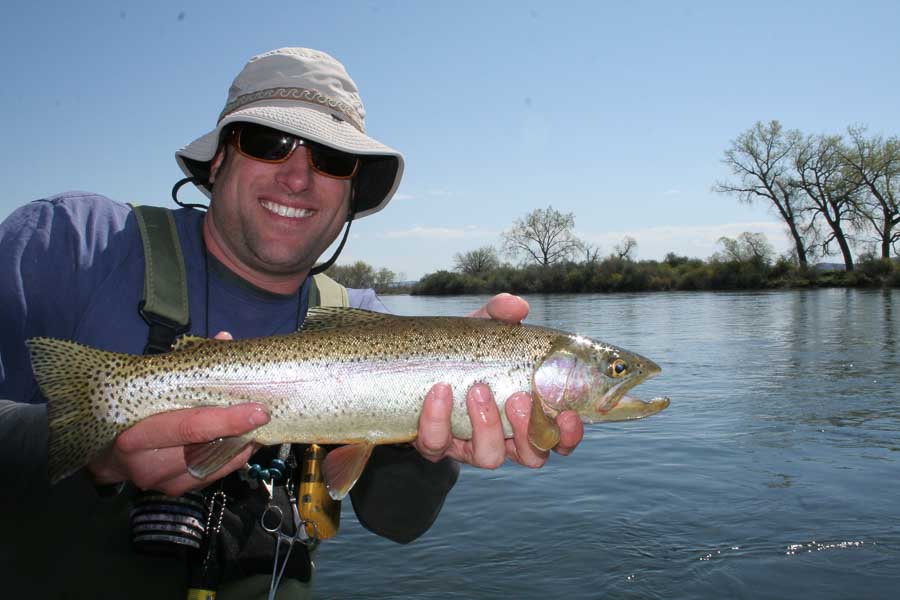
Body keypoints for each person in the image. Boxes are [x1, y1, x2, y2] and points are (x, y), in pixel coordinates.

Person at [0, 47, 583, 598]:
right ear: (220, 157)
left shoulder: (367, 325)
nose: (298, 177)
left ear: (353, 191)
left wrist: (434, 446)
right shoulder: (72, 244)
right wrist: (101, 456)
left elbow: (397, 524)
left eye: (331, 159)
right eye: (268, 141)